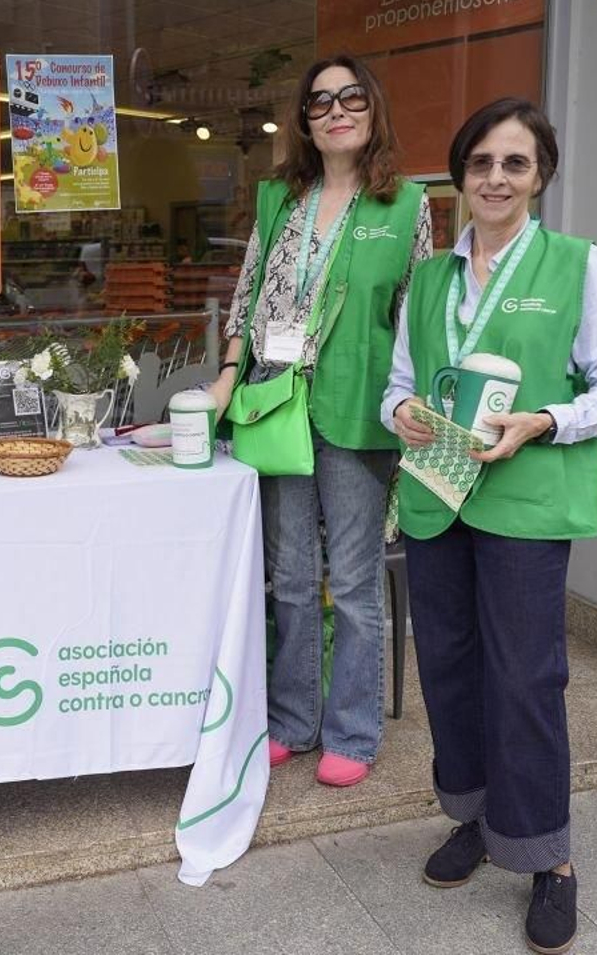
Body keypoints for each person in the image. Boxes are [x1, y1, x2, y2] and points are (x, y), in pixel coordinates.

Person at [382, 98, 597, 955]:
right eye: (482, 162)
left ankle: (547, 855)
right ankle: (474, 817)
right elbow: (398, 387)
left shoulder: (575, 263)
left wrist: (542, 419)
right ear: (459, 174)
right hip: (436, 494)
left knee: (527, 677)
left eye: (515, 164)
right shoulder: (429, 279)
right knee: (450, 669)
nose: (496, 178)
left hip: (525, 503)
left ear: (540, 176)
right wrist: (407, 412)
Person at [211, 54, 432, 788]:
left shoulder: (407, 205)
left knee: (357, 583)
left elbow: (417, 317)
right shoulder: (280, 197)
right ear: (305, 121)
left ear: (372, 110)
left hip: (358, 409)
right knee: (292, 578)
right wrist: (225, 376)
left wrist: (416, 398)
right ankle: (293, 720)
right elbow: (248, 294)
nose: (335, 110)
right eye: (319, 102)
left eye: (350, 98)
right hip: (277, 402)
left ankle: (354, 731)